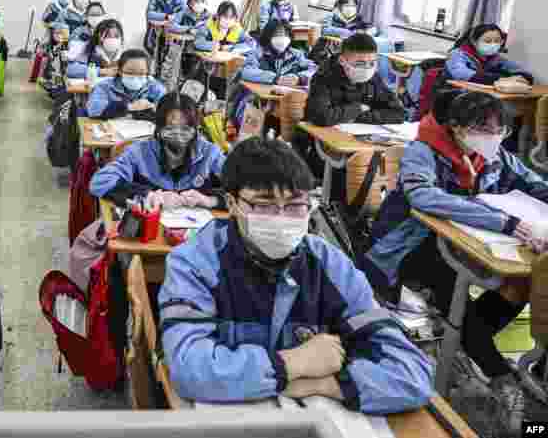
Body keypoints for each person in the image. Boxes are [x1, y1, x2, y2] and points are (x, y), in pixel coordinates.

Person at [160, 137, 434, 413]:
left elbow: (412, 374)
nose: (280, 217)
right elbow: (188, 369)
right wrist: (292, 364)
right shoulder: (195, 263)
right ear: (232, 203)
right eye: (263, 205)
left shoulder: (330, 265)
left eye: (295, 206)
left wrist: (321, 384)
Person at [363, 90, 548, 434]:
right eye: (485, 129)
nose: (494, 138)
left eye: (500, 131)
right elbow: (423, 196)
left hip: (475, 242)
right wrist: (503, 221)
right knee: (452, 288)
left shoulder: (494, 156)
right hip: (412, 245)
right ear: (457, 127)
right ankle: (498, 374)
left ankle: (466, 341)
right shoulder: (423, 152)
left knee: (520, 284)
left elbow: (534, 184)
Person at [90, 93, 226, 210]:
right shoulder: (139, 152)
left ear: (196, 128)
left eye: (186, 128)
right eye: (170, 127)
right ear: (158, 127)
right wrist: (147, 194)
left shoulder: (210, 153)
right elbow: (100, 181)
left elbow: (242, 189)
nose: (178, 134)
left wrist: (210, 200)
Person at [305, 33, 405, 127]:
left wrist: (357, 117)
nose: (366, 68)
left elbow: (398, 113)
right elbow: (321, 117)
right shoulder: (324, 77)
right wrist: (358, 108)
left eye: (372, 63)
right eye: (360, 64)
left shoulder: (373, 77)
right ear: (342, 61)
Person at [231, 19, 317, 127]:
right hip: (256, 101)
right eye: (278, 34)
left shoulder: (296, 55)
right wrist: (276, 78)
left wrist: (300, 78)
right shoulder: (258, 52)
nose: (282, 38)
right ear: (269, 35)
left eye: (286, 34)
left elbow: (314, 69)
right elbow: (247, 72)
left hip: (283, 102)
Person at [322, 0, 396, 89]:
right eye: (347, 5)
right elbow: (326, 30)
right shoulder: (331, 16)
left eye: (353, 5)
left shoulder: (356, 18)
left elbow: (368, 27)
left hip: (358, 43)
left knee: (384, 42)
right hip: (343, 45)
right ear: (340, 6)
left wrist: (370, 31)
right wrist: (349, 32)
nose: (350, 8)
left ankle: (384, 77)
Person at [87, 49, 165, 121]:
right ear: (120, 71)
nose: (135, 77)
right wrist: (129, 107)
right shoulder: (104, 86)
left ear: (148, 73)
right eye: (130, 72)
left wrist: (153, 108)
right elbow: (93, 110)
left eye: (141, 73)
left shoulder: (156, 88)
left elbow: (167, 112)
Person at [444, 24, 533, 86]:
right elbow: (462, 74)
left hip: (479, 96)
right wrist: (502, 79)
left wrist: (522, 78)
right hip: (453, 96)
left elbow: (523, 73)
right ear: (474, 42)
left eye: (497, 41)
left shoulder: (496, 58)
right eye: (487, 41)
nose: (493, 44)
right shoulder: (457, 54)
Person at [41, 21, 71, 99]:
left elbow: (65, 63)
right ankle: (54, 89)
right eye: (55, 33)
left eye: (59, 33)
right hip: (55, 71)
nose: (57, 35)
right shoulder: (52, 45)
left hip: (61, 73)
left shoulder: (65, 46)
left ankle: (56, 91)